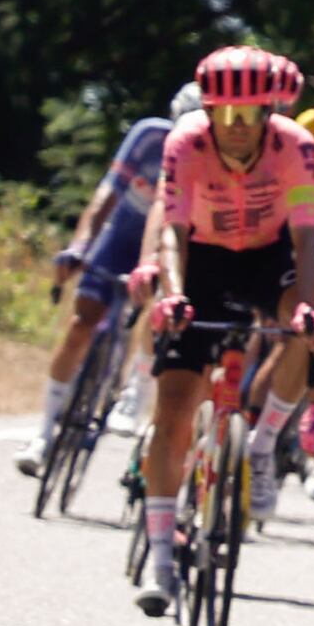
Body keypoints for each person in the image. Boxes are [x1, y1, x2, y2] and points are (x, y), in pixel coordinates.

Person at [129, 47, 314, 615]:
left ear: (270, 111)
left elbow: (308, 235)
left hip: (269, 256)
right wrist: (172, 295)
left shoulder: (294, 145)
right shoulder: (186, 143)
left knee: (308, 327)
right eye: (226, 116)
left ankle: (264, 443)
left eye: (250, 116)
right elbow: (173, 231)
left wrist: (309, 308)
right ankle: (161, 554)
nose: (237, 129)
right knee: (173, 409)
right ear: (209, 112)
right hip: (206, 260)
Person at [35, 88, 186, 463]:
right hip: (120, 235)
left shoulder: (207, 159)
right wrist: (80, 247)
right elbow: (108, 193)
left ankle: (137, 385)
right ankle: (43, 433)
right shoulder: (150, 135)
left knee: (163, 308)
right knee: (82, 320)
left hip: (166, 244)